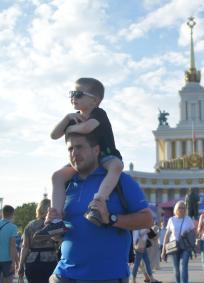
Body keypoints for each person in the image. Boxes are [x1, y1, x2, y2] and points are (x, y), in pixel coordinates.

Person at [47, 132, 153, 282]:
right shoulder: (66, 184)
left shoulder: (120, 181)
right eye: (70, 149)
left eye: (79, 147)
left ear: (96, 150)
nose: (74, 153)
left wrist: (111, 218)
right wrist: (54, 225)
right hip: (64, 276)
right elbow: (58, 236)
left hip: (107, 277)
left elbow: (147, 220)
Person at [37, 77, 124, 237]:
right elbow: (54, 135)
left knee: (116, 166)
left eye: (78, 94)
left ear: (94, 100)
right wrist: (66, 118)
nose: (73, 98)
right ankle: (56, 219)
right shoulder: (73, 118)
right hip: (82, 162)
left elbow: (87, 127)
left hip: (106, 156)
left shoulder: (98, 113)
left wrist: (69, 130)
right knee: (57, 176)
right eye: (72, 93)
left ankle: (98, 203)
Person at [18, 199, 58, 283]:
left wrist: (20, 265)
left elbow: (25, 247)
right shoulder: (55, 225)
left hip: (32, 262)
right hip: (50, 261)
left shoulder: (30, 225)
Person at [161, 201, 195, 283]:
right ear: (176, 209)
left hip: (186, 246)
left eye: (183, 207)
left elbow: (193, 234)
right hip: (174, 246)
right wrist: (163, 251)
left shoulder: (188, 219)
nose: (182, 209)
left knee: (183, 266)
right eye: (180, 207)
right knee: (176, 270)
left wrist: (194, 246)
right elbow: (167, 235)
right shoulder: (171, 220)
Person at [0, 205, 18, 283]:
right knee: (8, 280)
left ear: (2, 213)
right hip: (7, 259)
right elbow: (12, 245)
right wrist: (14, 262)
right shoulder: (13, 227)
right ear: (12, 214)